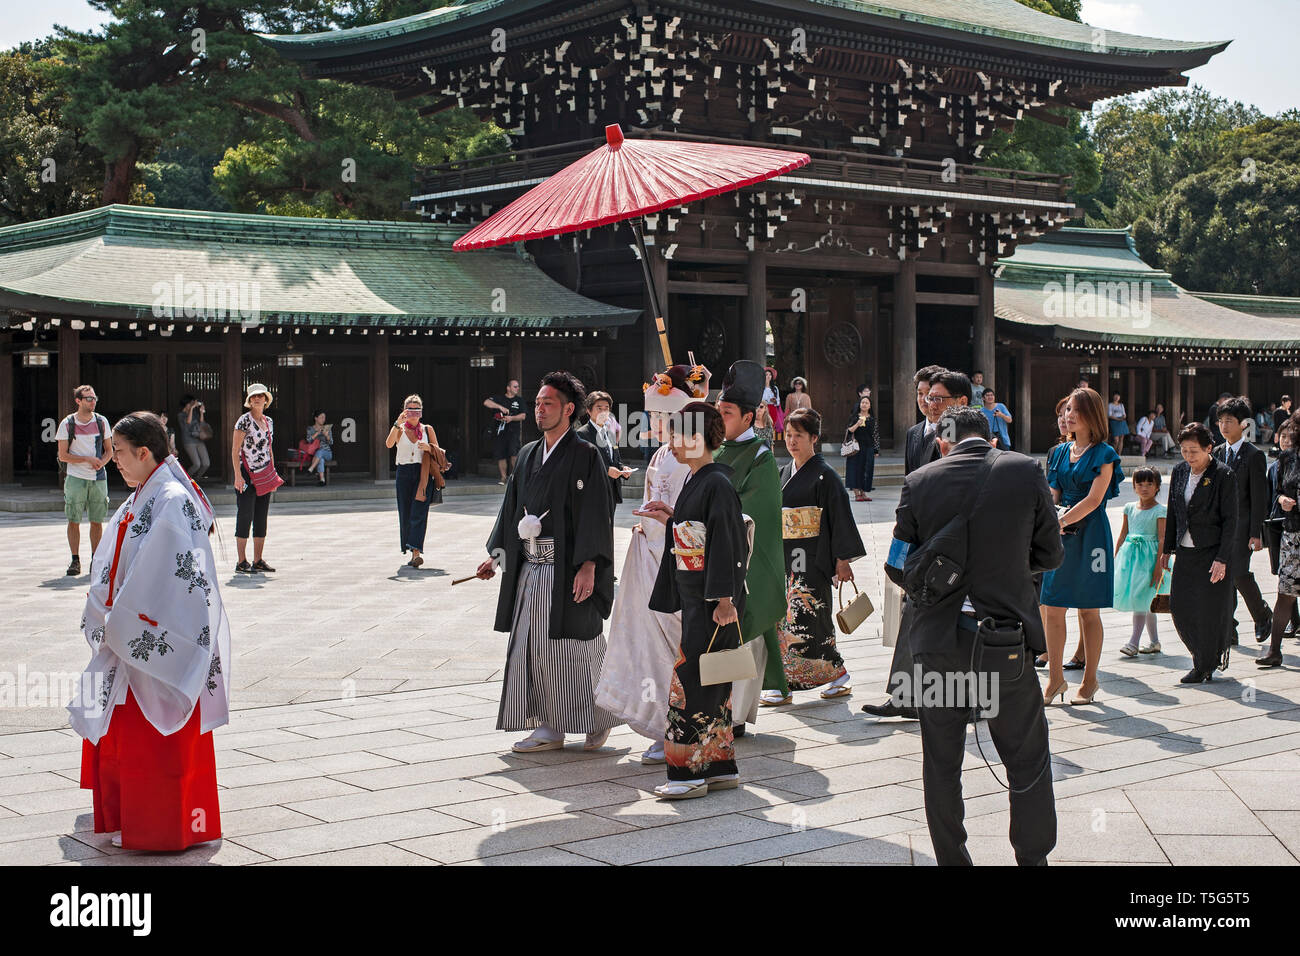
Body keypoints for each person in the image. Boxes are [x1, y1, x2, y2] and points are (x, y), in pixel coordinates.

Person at [893, 406, 1063, 866]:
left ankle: (953, 859)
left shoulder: (920, 480)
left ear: (943, 441)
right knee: (1027, 756)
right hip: (1001, 641)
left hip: (937, 644)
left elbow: (899, 565)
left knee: (942, 762)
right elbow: (1051, 552)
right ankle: (1032, 858)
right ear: (991, 439)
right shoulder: (1024, 470)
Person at [68, 412, 229, 850]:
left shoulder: (171, 496)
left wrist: (123, 615)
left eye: (118, 452)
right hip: (131, 625)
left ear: (144, 452)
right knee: (130, 736)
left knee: (154, 740)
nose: (113, 460)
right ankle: (133, 820)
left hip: (157, 632)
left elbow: (169, 574)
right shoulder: (146, 490)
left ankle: (161, 826)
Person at [475, 371, 619, 753]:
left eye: (548, 404)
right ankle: (550, 725)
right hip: (530, 568)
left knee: (577, 646)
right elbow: (510, 511)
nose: (539, 410)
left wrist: (590, 565)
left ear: (569, 410)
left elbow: (596, 513)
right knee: (532, 646)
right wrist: (496, 555)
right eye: (537, 403)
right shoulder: (527, 454)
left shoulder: (587, 456)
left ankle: (599, 716)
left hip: (568, 569)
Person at [596, 363, 709, 764]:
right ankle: (661, 721)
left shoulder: (695, 455)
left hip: (680, 558)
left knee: (677, 644)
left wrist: (668, 521)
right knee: (644, 641)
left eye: (665, 416)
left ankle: (681, 724)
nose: (657, 423)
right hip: (650, 555)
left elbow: (701, 515)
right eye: (654, 416)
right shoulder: (663, 454)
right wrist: (646, 523)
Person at [648, 401, 750, 798]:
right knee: (711, 681)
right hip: (699, 596)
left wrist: (725, 598)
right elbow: (699, 529)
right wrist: (671, 518)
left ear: (696, 438)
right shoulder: (699, 480)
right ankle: (719, 765)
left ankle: (688, 774)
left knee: (691, 680)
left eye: (676, 436)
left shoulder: (717, 483)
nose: (670, 444)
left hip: (712, 600)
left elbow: (727, 541)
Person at [864, 367, 970, 721]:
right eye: (925, 396)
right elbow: (911, 487)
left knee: (952, 622)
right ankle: (903, 695)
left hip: (956, 544)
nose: (929, 403)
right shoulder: (915, 435)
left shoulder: (966, 436)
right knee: (912, 613)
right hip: (923, 542)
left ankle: (962, 699)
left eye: (937, 397)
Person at [714, 360, 790, 720]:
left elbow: (755, 514)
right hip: (708, 555)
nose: (719, 418)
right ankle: (717, 707)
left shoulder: (759, 457)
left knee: (746, 630)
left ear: (747, 418)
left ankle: (738, 715)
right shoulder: (709, 450)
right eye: (717, 410)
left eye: (726, 412)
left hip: (743, 562)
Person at [775, 407, 865, 701]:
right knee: (787, 619)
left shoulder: (825, 475)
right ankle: (785, 681)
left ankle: (837, 673)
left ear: (813, 437)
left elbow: (840, 518)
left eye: (798, 435)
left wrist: (842, 561)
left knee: (814, 617)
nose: (792, 441)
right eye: (788, 435)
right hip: (788, 555)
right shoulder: (784, 471)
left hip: (813, 557)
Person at [1039, 388, 1123, 706]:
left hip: (1091, 537)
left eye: (1075, 410)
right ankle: (1055, 679)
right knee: (1053, 607)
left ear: (1092, 415)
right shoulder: (1059, 452)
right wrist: (1048, 517)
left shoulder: (1105, 454)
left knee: (1089, 610)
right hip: (1060, 535)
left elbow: (1094, 499)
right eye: (1067, 410)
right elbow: (1053, 494)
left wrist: (1059, 522)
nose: (1068, 415)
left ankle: (1090, 680)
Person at [1160, 423, 1238, 683]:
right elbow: (1173, 511)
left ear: (1208, 448)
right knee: (1179, 606)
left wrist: (1223, 558)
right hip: (1185, 549)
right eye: (1183, 450)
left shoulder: (1223, 475)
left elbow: (1231, 521)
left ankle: (1204, 664)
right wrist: (1167, 548)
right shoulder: (1180, 471)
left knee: (1208, 610)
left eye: (1194, 451)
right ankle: (1203, 655)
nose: (1189, 456)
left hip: (1211, 550)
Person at [1215, 397, 1273, 646]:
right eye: (1221, 421)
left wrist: (1256, 532)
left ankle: (1261, 614)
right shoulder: (1217, 453)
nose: (1224, 426)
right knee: (1221, 576)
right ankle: (1229, 628)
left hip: (1242, 525)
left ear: (1243, 424)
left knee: (1238, 574)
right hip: (1219, 527)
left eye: (1229, 421)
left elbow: (1259, 498)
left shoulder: (1254, 455)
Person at [57, 385, 114, 577]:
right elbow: (63, 455)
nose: (93, 401)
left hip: (98, 477)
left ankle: (95, 559)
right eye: (88, 398)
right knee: (73, 519)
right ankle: (75, 559)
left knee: (96, 520)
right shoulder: (67, 423)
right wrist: (86, 459)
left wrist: (102, 462)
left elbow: (109, 450)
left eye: (94, 397)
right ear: (78, 401)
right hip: (75, 477)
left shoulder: (101, 421)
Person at [1114, 468, 1170, 657]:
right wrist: (1116, 557)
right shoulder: (1129, 507)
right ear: (1134, 486)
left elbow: (1162, 539)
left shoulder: (1160, 510)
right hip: (1131, 560)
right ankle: (1154, 642)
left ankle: (1133, 642)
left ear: (1157, 487)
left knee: (1141, 599)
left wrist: (1158, 568)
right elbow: (1123, 534)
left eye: (1149, 484)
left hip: (1149, 560)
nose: (1144, 488)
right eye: (1140, 484)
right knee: (1145, 601)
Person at [1260, 413, 1300, 667]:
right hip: (1293, 533)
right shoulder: (1287, 458)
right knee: (1285, 591)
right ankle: (1274, 650)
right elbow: (1277, 491)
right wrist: (1283, 500)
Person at [231, 384, 279, 575]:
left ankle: (258, 559)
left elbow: (269, 448)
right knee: (245, 515)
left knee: (261, 516)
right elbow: (235, 450)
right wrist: (237, 475)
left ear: (266, 400)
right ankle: (241, 560)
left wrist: (273, 474)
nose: (257, 399)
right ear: (249, 401)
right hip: (247, 472)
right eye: (253, 397)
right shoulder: (243, 421)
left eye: (260, 396)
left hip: (264, 472)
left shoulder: (269, 421)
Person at [384, 394, 437, 568]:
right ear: (404, 411)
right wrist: (396, 424)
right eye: (410, 410)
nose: (414, 414)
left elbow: (437, 451)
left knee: (419, 511)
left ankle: (416, 552)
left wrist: (427, 447)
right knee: (405, 512)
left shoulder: (427, 429)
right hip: (404, 472)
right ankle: (409, 547)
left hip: (422, 473)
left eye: (417, 410)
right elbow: (389, 444)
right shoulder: (399, 429)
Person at [577, 390, 632, 519]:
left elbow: (615, 460)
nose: (603, 412)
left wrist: (623, 469)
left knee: (608, 530)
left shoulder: (610, 433)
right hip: (593, 492)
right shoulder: (582, 434)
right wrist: (606, 470)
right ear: (589, 411)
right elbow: (581, 465)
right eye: (599, 408)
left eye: (606, 408)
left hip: (611, 490)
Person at [484, 379, 526, 485]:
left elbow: (523, 416)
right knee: (500, 455)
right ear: (508, 388)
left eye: (518, 386)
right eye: (515, 386)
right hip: (500, 432)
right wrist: (500, 407)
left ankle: (515, 476)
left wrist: (511, 418)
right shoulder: (499, 398)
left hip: (513, 432)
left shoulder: (519, 400)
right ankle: (503, 477)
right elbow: (486, 402)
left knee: (514, 454)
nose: (517, 388)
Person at [844, 394, 879, 501]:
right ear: (859, 405)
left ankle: (863, 492)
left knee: (866, 470)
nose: (864, 404)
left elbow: (876, 435)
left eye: (866, 403)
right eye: (862, 402)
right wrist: (857, 423)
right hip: (855, 448)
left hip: (868, 447)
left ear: (870, 406)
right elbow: (849, 431)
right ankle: (856, 494)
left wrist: (876, 450)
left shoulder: (872, 419)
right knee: (855, 469)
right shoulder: (854, 417)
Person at [178, 395, 211, 479]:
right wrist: (192, 408)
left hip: (198, 439)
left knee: (206, 463)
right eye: (191, 403)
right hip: (188, 441)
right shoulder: (181, 415)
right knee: (197, 464)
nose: (194, 404)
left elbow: (202, 423)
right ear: (187, 404)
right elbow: (188, 422)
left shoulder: (195, 413)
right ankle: (186, 480)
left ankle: (196, 480)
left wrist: (201, 412)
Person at [305, 410, 334, 486]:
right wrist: (317, 433)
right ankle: (322, 480)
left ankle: (311, 469)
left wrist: (326, 435)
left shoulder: (327, 428)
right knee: (320, 459)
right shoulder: (310, 429)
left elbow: (331, 443)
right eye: (321, 417)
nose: (323, 419)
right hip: (315, 454)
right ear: (316, 418)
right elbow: (308, 441)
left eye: (324, 417)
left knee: (320, 451)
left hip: (327, 453)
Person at [762, 366, 785, 439]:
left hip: (772, 409)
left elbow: (778, 402)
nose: (768, 376)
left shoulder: (775, 388)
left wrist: (775, 401)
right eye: (766, 374)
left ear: (772, 377)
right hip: (763, 408)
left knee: (771, 427)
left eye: (770, 375)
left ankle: (770, 442)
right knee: (763, 425)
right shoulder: (760, 388)